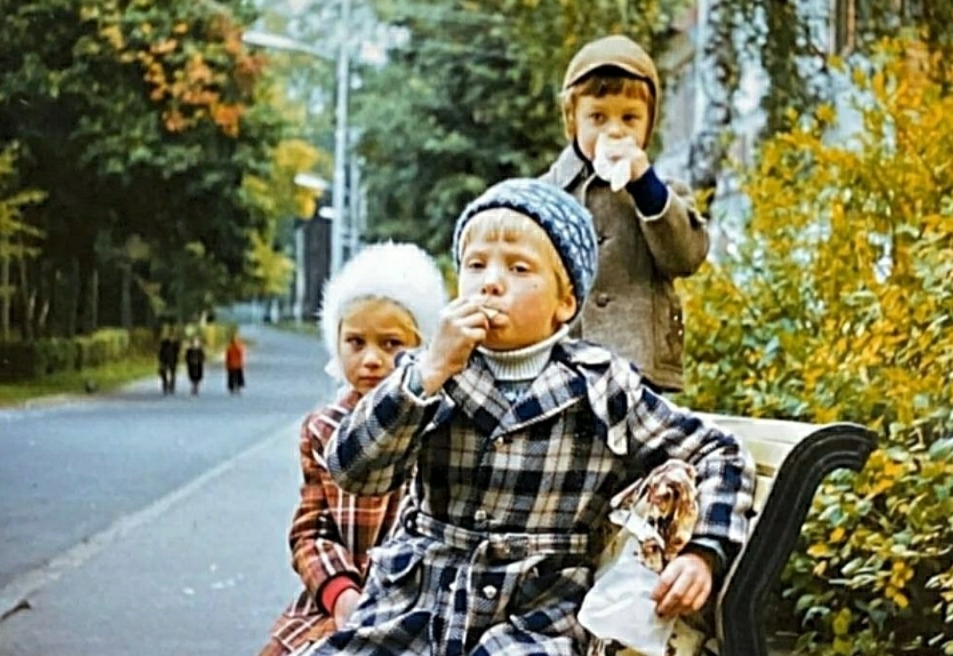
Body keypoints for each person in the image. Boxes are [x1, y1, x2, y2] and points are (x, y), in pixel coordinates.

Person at [314, 179, 754, 656]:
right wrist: (428, 372)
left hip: (536, 612)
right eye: (475, 265)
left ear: (565, 304)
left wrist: (703, 551)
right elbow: (353, 471)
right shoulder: (431, 370)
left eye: (518, 268)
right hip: (419, 599)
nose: (491, 281)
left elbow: (718, 452)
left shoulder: (600, 384)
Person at [257, 242, 448, 656]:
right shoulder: (323, 429)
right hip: (340, 595)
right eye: (356, 342)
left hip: (416, 603)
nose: (372, 359)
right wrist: (339, 592)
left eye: (392, 343)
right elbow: (311, 530)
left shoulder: (439, 424)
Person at [541, 34, 710, 392]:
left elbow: (686, 257)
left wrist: (645, 187)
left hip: (640, 366)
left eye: (630, 118)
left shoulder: (664, 193)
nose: (614, 129)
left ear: (648, 128)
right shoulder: (547, 194)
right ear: (573, 122)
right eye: (597, 117)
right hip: (563, 363)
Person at [157, 327, 180, 395]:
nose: (171, 337)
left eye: (172, 336)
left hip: (172, 360)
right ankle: (165, 384)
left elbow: (177, 351)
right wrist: (160, 360)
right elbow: (160, 351)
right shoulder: (164, 342)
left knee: (172, 374)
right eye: (170, 335)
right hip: (164, 359)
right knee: (163, 373)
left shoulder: (176, 343)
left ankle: (171, 386)